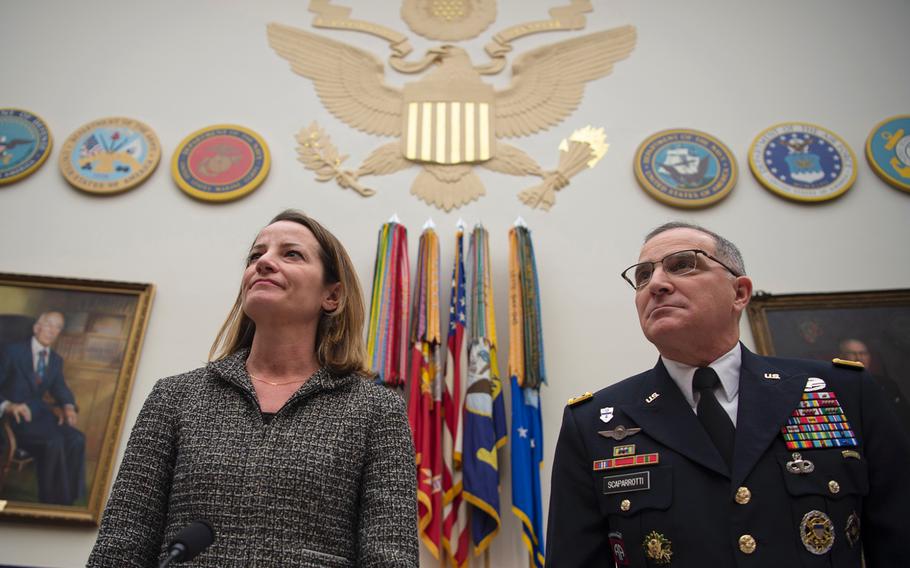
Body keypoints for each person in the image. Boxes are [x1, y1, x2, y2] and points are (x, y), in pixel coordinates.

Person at [546, 222, 910, 567]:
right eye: (643, 275)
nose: (655, 283)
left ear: (739, 293)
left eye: (682, 265)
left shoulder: (844, 391)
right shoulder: (595, 421)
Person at [88, 210, 418, 567]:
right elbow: (121, 544)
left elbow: (391, 556)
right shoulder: (175, 397)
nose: (264, 263)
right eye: (255, 255)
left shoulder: (376, 409)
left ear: (332, 296)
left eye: (291, 254)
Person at [0, 310, 85, 505]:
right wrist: (8, 405)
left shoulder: (55, 360)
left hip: (41, 416)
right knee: (53, 440)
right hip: (14, 419)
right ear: (36, 327)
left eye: (58, 327)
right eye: (49, 324)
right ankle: (51, 501)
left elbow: (60, 387)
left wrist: (68, 406)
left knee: (77, 438)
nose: (52, 330)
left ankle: (69, 497)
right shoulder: (11, 351)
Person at [837, 337, 910, 429]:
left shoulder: (887, 384)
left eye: (863, 353)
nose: (859, 358)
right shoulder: (833, 384)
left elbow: (905, 416)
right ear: (841, 357)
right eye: (853, 354)